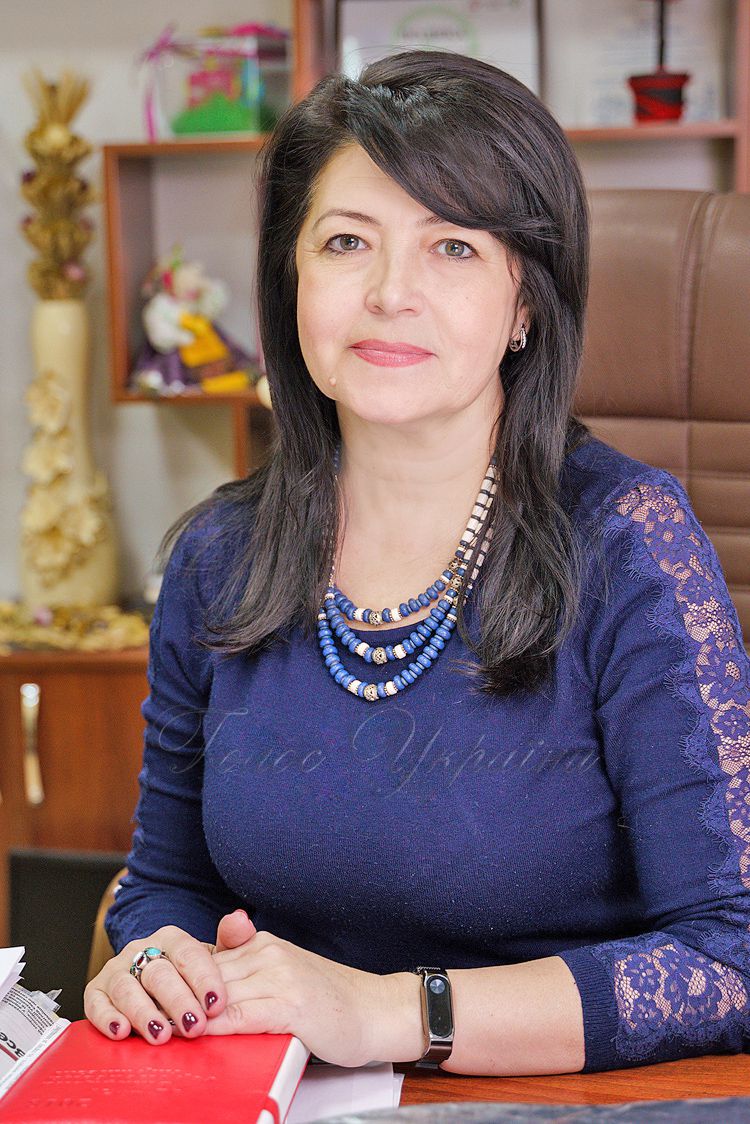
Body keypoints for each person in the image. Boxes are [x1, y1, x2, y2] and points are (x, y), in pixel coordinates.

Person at [85, 49, 750, 1076]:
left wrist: (395, 1011)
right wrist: (154, 963)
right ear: (292, 278)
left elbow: (729, 954)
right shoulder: (220, 555)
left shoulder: (630, 545)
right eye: (347, 241)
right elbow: (166, 883)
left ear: (526, 304)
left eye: (454, 247)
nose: (391, 292)